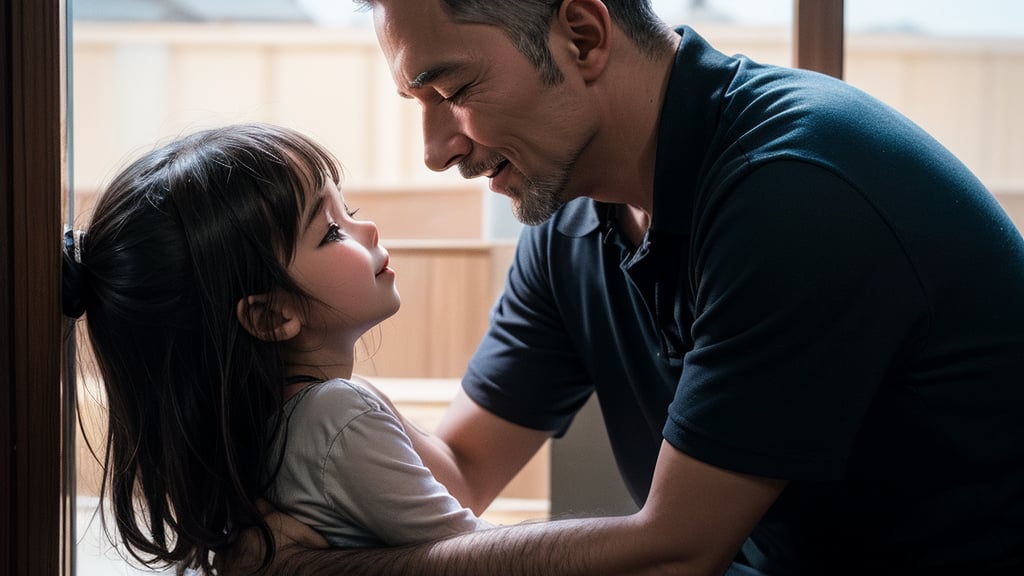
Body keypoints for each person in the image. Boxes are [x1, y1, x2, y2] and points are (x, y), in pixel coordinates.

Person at [227, 0, 1024, 574]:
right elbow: (459, 469)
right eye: (420, 103)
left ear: (582, 34)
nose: (436, 150)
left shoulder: (794, 190)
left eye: (455, 93)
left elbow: (676, 552)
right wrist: (282, 404)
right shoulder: (572, 226)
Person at [61, 123, 490, 575]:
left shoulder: (258, 426)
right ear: (270, 317)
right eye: (330, 232)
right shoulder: (338, 416)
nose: (367, 228)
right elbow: (488, 560)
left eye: (350, 210)